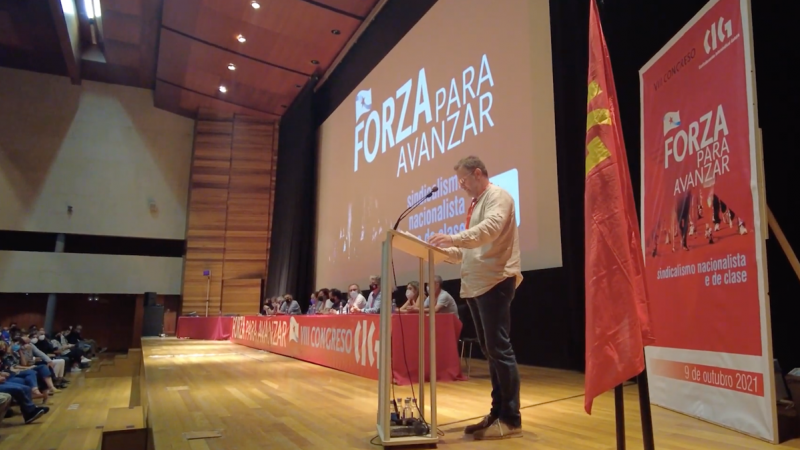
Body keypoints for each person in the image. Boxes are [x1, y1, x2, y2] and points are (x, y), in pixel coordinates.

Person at [429, 155, 523, 439]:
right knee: (492, 351)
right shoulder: (476, 204)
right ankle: (496, 413)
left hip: (495, 281)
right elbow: (468, 251)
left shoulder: (499, 197)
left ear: (478, 173)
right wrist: (441, 251)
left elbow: (489, 231)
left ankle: (511, 419)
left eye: (463, 179)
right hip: (477, 284)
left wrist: (454, 238)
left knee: (499, 350)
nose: (461, 186)